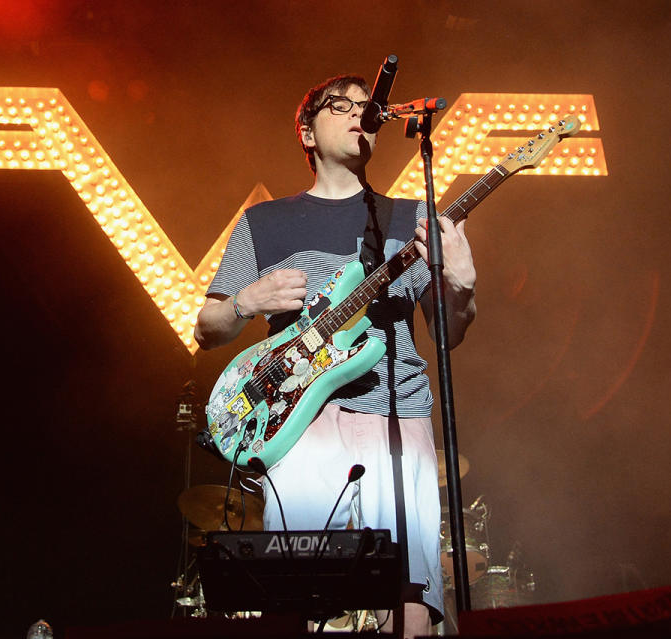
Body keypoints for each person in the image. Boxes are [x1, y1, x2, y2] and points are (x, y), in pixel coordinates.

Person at [194, 74, 476, 638]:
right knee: (296, 595)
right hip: (298, 422)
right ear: (306, 130)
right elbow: (208, 328)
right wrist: (248, 300)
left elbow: (448, 335)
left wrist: (461, 286)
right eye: (339, 106)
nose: (358, 115)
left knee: (412, 596)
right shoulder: (265, 222)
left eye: (365, 107)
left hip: (398, 410)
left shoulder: (405, 217)